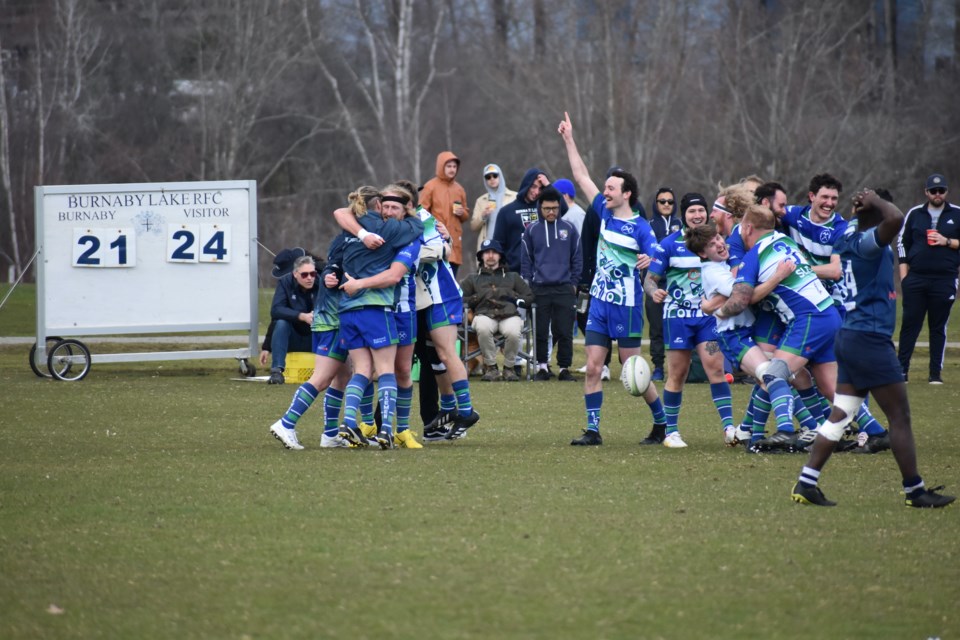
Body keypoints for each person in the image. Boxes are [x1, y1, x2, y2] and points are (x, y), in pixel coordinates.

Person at [791, 188, 955, 508]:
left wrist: (863, 207)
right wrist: (877, 203)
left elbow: (870, 221)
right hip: (869, 339)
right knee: (900, 416)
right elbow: (894, 218)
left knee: (840, 415)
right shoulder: (867, 243)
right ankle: (915, 490)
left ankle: (806, 482)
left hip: (851, 336)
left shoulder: (846, 236)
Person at [558, 112, 667, 446]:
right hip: (600, 303)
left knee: (632, 369)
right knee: (592, 367)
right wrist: (569, 139)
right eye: (605, 187)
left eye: (611, 187)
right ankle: (593, 430)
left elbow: (658, 256)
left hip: (628, 305)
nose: (604, 190)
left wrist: (651, 263)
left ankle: (661, 423)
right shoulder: (603, 212)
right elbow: (580, 175)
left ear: (627, 194)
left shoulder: (641, 227)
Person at [716, 205, 842, 451]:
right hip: (829, 313)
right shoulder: (785, 241)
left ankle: (781, 431)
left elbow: (741, 300)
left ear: (748, 227)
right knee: (829, 387)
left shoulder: (755, 253)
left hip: (809, 319)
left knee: (773, 375)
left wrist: (717, 311)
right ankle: (874, 431)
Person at [331, 186, 424, 449]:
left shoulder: (403, 234)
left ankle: (385, 428)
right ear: (379, 206)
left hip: (385, 308)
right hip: (377, 307)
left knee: (387, 370)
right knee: (376, 370)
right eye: (386, 206)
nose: (390, 211)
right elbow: (341, 212)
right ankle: (377, 427)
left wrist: (357, 282)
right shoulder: (382, 228)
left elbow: (394, 276)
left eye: (396, 207)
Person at [644, 193, 735, 448]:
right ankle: (671, 432)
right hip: (678, 320)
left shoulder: (719, 242)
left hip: (707, 320)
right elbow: (649, 280)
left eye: (700, 211)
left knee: (716, 368)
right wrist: (655, 292)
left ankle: (729, 429)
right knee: (678, 373)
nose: (697, 215)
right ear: (683, 215)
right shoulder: (669, 244)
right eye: (691, 211)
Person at [268, 237, 355, 450]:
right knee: (322, 379)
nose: (309, 277)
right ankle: (286, 423)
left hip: (334, 323)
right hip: (331, 325)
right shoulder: (344, 252)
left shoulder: (335, 256)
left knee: (342, 377)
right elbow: (276, 311)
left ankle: (330, 435)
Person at [896, 173, 960, 384]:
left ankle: (935, 374)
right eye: (933, 191)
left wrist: (947, 241)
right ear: (926, 192)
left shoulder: (957, 214)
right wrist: (904, 277)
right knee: (910, 325)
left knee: (938, 326)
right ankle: (901, 371)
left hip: (945, 279)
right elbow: (902, 243)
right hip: (916, 278)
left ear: (946, 192)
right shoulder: (915, 214)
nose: (937, 194)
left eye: (941, 190)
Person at [521, 185, 583, 381]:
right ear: (540, 208)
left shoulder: (569, 229)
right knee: (540, 330)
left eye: (554, 208)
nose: (551, 212)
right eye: (547, 208)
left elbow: (577, 258)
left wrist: (573, 283)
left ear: (559, 207)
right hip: (539, 288)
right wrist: (530, 283)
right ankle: (542, 367)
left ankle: (564, 368)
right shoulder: (531, 231)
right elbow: (526, 260)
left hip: (564, 287)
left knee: (564, 330)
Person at [460, 239, 534, 382]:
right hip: (484, 315)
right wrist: (477, 298)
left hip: (509, 315)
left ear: (500, 256)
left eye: (494, 252)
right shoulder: (473, 279)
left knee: (513, 330)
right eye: (487, 252)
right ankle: (491, 367)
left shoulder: (513, 277)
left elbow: (530, 296)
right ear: (481, 256)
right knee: (482, 326)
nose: (491, 255)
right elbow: (459, 298)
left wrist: (516, 298)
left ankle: (509, 368)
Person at [493, 167, 566, 273]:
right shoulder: (506, 212)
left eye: (541, 188)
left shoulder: (545, 209)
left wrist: (549, 185)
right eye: (533, 186)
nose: (536, 192)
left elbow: (563, 208)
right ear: (526, 184)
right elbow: (498, 245)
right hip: (515, 273)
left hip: (542, 273)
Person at [645, 187, 681, 381]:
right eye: (662, 201)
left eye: (670, 201)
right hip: (655, 284)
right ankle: (658, 366)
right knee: (656, 329)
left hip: (678, 286)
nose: (666, 204)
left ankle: (680, 367)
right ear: (655, 203)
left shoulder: (682, 226)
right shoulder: (648, 225)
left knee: (677, 327)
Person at [266, 255, 320, 384]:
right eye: (305, 275)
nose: (309, 278)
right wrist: (301, 316)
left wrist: (318, 314)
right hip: (293, 337)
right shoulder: (285, 282)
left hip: (316, 336)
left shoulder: (322, 283)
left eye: (313, 274)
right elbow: (276, 310)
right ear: (295, 274)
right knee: (281, 322)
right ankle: (277, 372)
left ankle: (339, 369)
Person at [419, 151, 470, 274]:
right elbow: (421, 212)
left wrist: (462, 212)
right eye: (448, 166)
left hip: (455, 242)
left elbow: (466, 216)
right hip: (436, 240)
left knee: (452, 281)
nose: (452, 169)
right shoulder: (430, 186)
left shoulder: (459, 189)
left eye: (454, 166)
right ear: (441, 166)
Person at [470, 163, 516, 252]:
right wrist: (483, 216)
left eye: (495, 175)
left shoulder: (514, 197)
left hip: (509, 244)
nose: (492, 179)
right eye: (488, 177)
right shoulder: (481, 200)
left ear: (500, 176)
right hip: (488, 246)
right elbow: (473, 227)